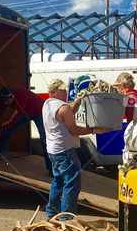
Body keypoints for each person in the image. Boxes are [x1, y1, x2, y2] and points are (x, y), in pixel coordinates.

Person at [42, 79, 97, 219]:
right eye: (62, 90)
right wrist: (93, 130)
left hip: (53, 150)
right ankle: (66, 217)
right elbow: (73, 129)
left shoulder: (47, 104)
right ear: (54, 93)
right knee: (72, 182)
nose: (66, 92)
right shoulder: (63, 107)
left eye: (66, 90)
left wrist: (77, 101)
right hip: (65, 150)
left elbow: (67, 111)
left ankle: (51, 213)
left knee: (58, 181)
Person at [0, 86, 50, 169]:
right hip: (25, 111)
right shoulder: (6, 99)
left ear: (12, 96)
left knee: (44, 138)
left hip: (39, 111)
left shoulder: (21, 99)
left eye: (7, 101)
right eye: (4, 102)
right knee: (7, 130)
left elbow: (11, 121)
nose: (6, 104)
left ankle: (50, 167)